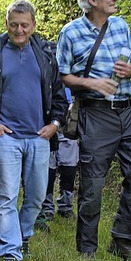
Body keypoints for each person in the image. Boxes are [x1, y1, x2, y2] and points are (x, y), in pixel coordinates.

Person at [56, 0, 131, 261]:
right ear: (93, 1)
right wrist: (93, 84)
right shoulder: (71, 33)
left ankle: (122, 241)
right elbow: (62, 75)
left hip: (127, 111)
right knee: (93, 185)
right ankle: (86, 250)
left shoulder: (121, 25)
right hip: (95, 113)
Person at [0, 0, 67, 261]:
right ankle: (11, 252)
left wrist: (54, 124)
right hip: (6, 137)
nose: (19, 30)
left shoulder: (47, 54)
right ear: (6, 24)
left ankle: (24, 234)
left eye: (24, 25)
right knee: (6, 197)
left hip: (39, 136)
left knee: (37, 196)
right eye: (14, 24)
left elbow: (59, 96)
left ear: (33, 25)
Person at [42, 87, 79, 221]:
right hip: (49, 114)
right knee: (49, 167)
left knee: (70, 166)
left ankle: (65, 206)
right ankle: (47, 207)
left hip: (70, 116)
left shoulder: (73, 66)